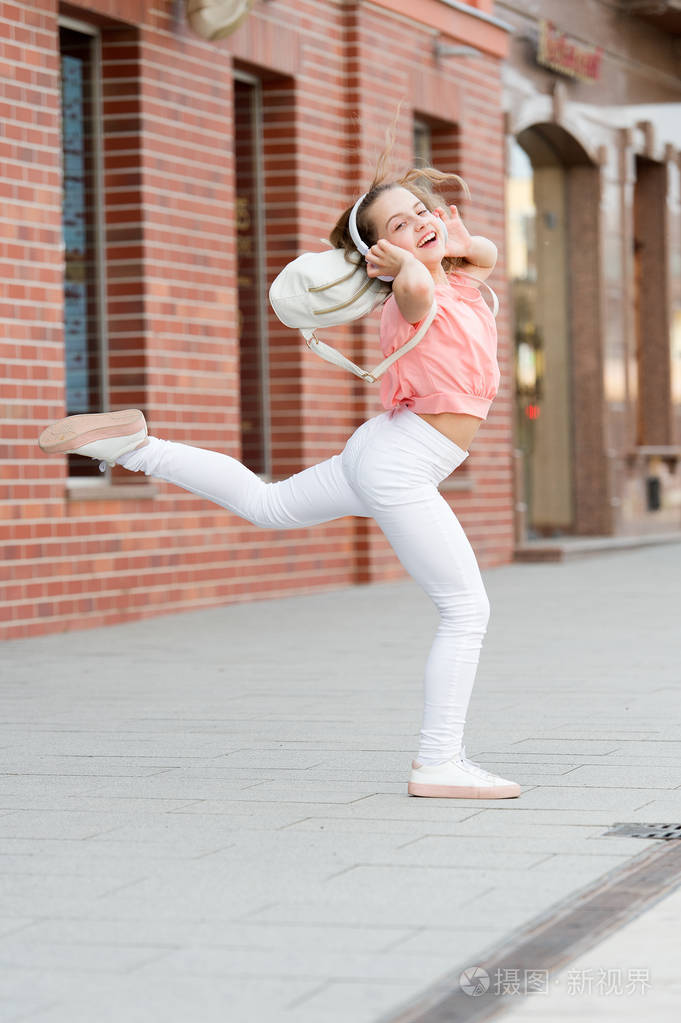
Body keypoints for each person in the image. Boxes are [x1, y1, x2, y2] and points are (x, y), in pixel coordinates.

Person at [39, 164, 521, 800]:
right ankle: (438, 763)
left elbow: (482, 251)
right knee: (465, 609)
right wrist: (404, 264)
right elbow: (416, 295)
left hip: (382, 451)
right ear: (378, 253)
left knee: (266, 505)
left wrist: (448, 236)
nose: (421, 224)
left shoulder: (461, 278)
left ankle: (136, 446)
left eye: (421, 212)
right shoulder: (410, 297)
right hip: (401, 463)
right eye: (398, 226)